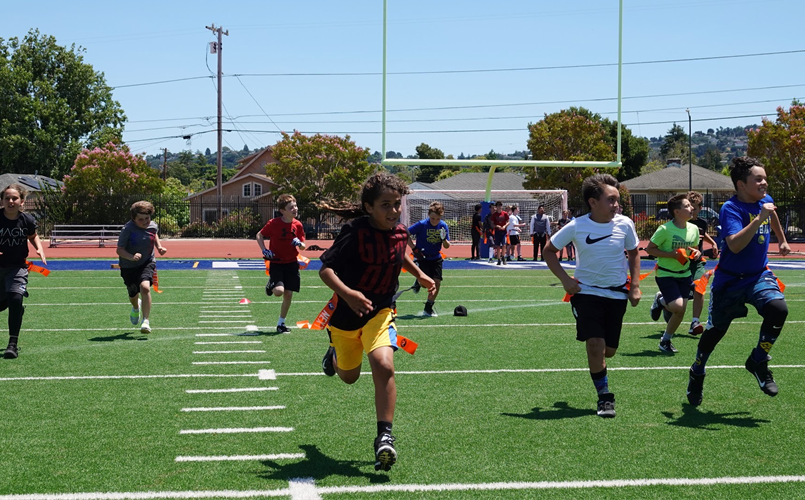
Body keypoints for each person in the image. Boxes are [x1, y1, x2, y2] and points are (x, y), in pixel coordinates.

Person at [318, 172, 436, 472]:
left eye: (397, 204)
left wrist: (419, 273)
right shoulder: (353, 232)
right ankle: (333, 356)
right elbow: (326, 270)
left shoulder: (400, 232)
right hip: (346, 317)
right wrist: (348, 294)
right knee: (349, 377)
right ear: (369, 207)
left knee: (384, 364)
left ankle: (385, 437)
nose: (394, 211)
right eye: (386, 205)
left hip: (381, 312)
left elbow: (398, 255)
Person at [686, 157, 791, 407]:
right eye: (758, 179)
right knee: (715, 333)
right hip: (730, 282)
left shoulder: (765, 202)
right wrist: (757, 220)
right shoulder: (731, 209)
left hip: (758, 276)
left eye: (764, 178)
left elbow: (772, 215)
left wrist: (782, 239)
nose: (764, 182)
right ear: (741, 184)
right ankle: (697, 370)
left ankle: (758, 359)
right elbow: (734, 244)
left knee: (778, 310)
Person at [543, 174, 641, 418]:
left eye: (617, 200)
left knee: (609, 351)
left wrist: (635, 285)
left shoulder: (625, 224)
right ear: (593, 202)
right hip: (586, 294)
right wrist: (566, 280)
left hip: (617, 295)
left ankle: (601, 372)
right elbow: (549, 251)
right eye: (611, 200)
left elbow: (634, 252)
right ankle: (605, 397)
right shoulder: (577, 226)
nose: (616, 205)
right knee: (595, 345)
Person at [0, 184, 47, 359]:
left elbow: (32, 235)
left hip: (17, 267)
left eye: (14, 198)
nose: (11, 201)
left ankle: (12, 344)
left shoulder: (26, 220)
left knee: (16, 298)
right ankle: (12, 305)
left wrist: (39, 248)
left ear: (22, 201)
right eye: (7, 198)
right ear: (2, 200)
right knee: (4, 304)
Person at [256, 194, 306, 334]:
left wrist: (300, 244)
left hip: (291, 263)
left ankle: (281, 323)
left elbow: (303, 245)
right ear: (282, 211)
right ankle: (271, 284)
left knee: (288, 294)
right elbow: (259, 235)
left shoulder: (298, 225)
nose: (295, 209)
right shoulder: (274, 223)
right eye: (291, 207)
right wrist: (265, 250)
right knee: (279, 292)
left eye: (295, 206)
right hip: (277, 263)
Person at [116, 201, 167, 334]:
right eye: (141, 219)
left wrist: (159, 247)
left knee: (145, 287)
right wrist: (131, 257)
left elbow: (154, 233)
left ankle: (146, 321)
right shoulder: (127, 230)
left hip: (147, 262)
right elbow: (119, 250)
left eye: (147, 218)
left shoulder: (152, 225)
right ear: (133, 218)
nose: (145, 222)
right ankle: (135, 306)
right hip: (128, 265)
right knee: (133, 294)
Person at [408, 201, 451, 317]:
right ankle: (418, 281)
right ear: (428, 215)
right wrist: (414, 248)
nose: (435, 221)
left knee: (436, 283)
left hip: (436, 258)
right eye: (432, 218)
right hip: (423, 258)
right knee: (425, 284)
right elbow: (405, 233)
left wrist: (443, 239)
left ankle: (428, 308)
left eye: (437, 219)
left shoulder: (443, 226)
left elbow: (447, 246)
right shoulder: (422, 224)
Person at [686, 191, 719, 335]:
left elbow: (702, 233)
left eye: (694, 208)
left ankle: (695, 321)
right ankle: (661, 300)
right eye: (689, 207)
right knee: (677, 299)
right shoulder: (680, 223)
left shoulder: (701, 223)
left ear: (700, 208)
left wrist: (713, 243)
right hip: (680, 262)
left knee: (699, 286)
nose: (691, 210)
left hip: (697, 262)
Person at [490, 201, 509, 265]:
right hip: (497, 231)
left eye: (500, 206)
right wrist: (496, 226)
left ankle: (503, 256)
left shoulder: (505, 213)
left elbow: (508, 222)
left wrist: (504, 226)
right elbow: (492, 224)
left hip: (503, 232)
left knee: (504, 245)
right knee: (498, 246)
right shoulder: (494, 215)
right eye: (498, 206)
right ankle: (498, 259)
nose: (499, 207)